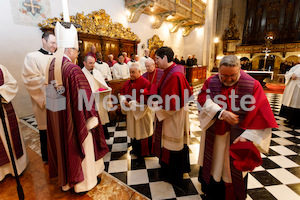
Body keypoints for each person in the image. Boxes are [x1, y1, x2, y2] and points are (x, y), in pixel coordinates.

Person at [197, 55, 278, 200]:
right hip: (215, 134)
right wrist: (220, 112)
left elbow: (262, 114)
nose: (228, 79)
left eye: (232, 75)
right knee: (213, 164)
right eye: (224, 75)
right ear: (219, 71)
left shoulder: (252, 85)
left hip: (238, 136)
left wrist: (247, 136)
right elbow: (202, 98)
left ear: (240, 70)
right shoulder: (211, 81)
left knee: (231, 170)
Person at [46, 22, 109, 193]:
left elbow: (53, 101)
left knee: (64, 144)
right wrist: (92, 116)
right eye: (76, 51)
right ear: (70, 50)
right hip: (76, 118)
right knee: (83, 146)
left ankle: (67, 180)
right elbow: (85, 97)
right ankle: (84, 182)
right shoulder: (72, 69)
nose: (76, 55)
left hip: (60, 117)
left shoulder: (51, 65)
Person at [152, 46, 192, 187]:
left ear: (164, 58)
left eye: (157, 58)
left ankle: (174, 175)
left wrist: (156, 107)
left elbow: (172, 104)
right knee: (170, 144)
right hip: (172, 114)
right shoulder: (172, 70)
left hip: (173, 115)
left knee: (173, 144)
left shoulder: (175, 75)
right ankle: (170, 170)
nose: (155, 61)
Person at [22, 31, 57, 162]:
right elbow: (30, 79)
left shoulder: (58, 57)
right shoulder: (32, 57)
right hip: (45, 99)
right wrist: (53, 80)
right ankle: (48, 158)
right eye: (52, 42)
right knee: (47, 128)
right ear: (44, 40)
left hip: (60, 98)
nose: (55, 45)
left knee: (60, 128)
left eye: (56, 43)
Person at [0, 65, 28, 181]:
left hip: (4, 110)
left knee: (10, 139)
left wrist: (0, 91)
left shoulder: (1, 68)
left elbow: (12, 84)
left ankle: (16, 167)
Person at [119, 63, 153, 157]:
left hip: (142, 113)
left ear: (139, 72)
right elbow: (122, 92)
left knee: (142, 131)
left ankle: (145, 152)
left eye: (133, 72)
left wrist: (131, 103)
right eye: (130, 72)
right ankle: (135, 150)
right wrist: (123, 100)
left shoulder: (145, 83)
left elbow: (146, 99)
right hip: (132, 113)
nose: (131, 74)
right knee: (134, 131)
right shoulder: (128, 82)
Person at [82, 55, 112, 139]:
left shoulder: (97, 72)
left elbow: (103, 84)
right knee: (93, 122)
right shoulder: (81, 74)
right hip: (89, 102)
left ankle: (104, 139)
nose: (92, 65)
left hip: (99, 100)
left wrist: (107, 89)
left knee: (102, 120)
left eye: (93, 63)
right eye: (90, 63)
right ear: (84, 63)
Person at [279, 64, 300, 128]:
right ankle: (290, 119)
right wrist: (291, 75)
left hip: (298, 88)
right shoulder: (297, 66)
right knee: (290, 103)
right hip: (291, 86)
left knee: (296, 104)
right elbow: (288, 72)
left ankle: (296, 122)